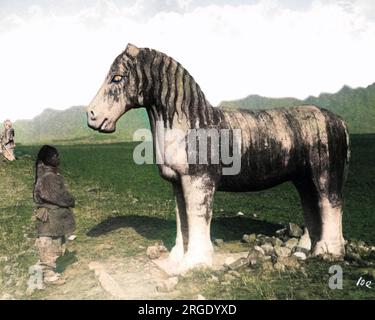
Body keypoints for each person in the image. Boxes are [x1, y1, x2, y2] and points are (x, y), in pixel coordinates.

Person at [33, 145, 76, 283]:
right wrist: (70, 200)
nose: (58, 158)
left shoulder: (49, 174)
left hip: (54, 216)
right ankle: (48, 276)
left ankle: (47, 271)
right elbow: (57, 196)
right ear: (47, 159)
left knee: (54, 243)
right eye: (55, 156)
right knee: (48, 245)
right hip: (50, 217)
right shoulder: (48, 177)